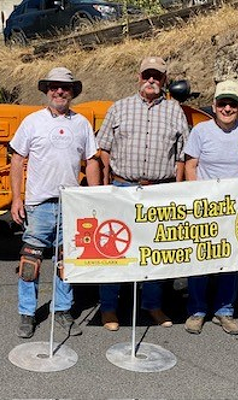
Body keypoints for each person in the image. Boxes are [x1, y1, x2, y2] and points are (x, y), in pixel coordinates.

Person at [96, 56, 190, 331]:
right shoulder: (119, 108)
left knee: (154, 251)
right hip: (122, 186)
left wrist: (179, 189)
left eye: (157, 76)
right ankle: (109, 308)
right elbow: (104, 150)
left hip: (159, 190)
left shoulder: (175, 111)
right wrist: (104, 188)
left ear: (164, 80)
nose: (151, 80)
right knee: (114, 248)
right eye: (147, 75)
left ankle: (153, 305)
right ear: (138, 77)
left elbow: (182, 156)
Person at [9, 67, 100, 338]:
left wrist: (94, 198)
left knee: (66, 261)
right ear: (47, 90)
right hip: (39, 205)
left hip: (71, 205)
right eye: (54, 86)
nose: (59, 91)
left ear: (72, 92)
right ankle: (27, 313)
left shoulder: (81, 124)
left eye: (65, 87)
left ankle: (62, 311)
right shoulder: (32, 122)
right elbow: (17, 160)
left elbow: (92, 160)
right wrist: (17, 198)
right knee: (30, 261)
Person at [184, 79, 238, 335]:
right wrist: (195, 196)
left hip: (234, 209)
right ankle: (197, 310)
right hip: (206, 207)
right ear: (214, 105)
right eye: (223, 103)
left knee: (231, 260)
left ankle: (225, 310)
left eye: (233, 104)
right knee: (201, 259)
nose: (227, 109)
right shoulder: (201, 131)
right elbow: (190, 165)